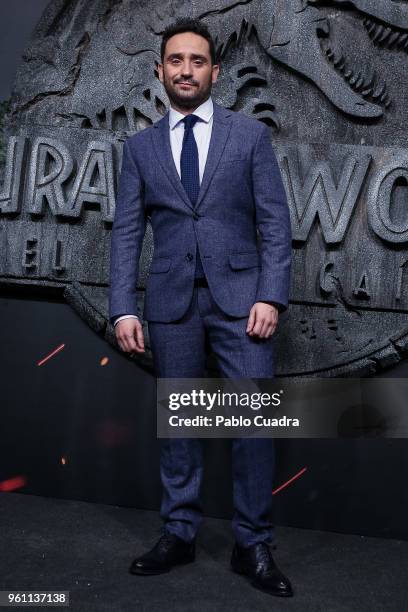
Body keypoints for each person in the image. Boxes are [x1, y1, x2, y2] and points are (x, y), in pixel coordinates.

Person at [109, 17, 293, 598]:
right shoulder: (139, 149)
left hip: (243, 306)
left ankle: (252, 544)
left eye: (197, 61)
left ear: (214, 70)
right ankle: (180, 532)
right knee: (182, 427)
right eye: (175, 61)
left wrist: (270, 294)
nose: (185, 70)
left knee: (252, 428)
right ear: (160, 70)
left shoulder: (250, 138)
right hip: (169, 305)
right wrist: (122, 308)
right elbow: (126, 234)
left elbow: (275, 223)